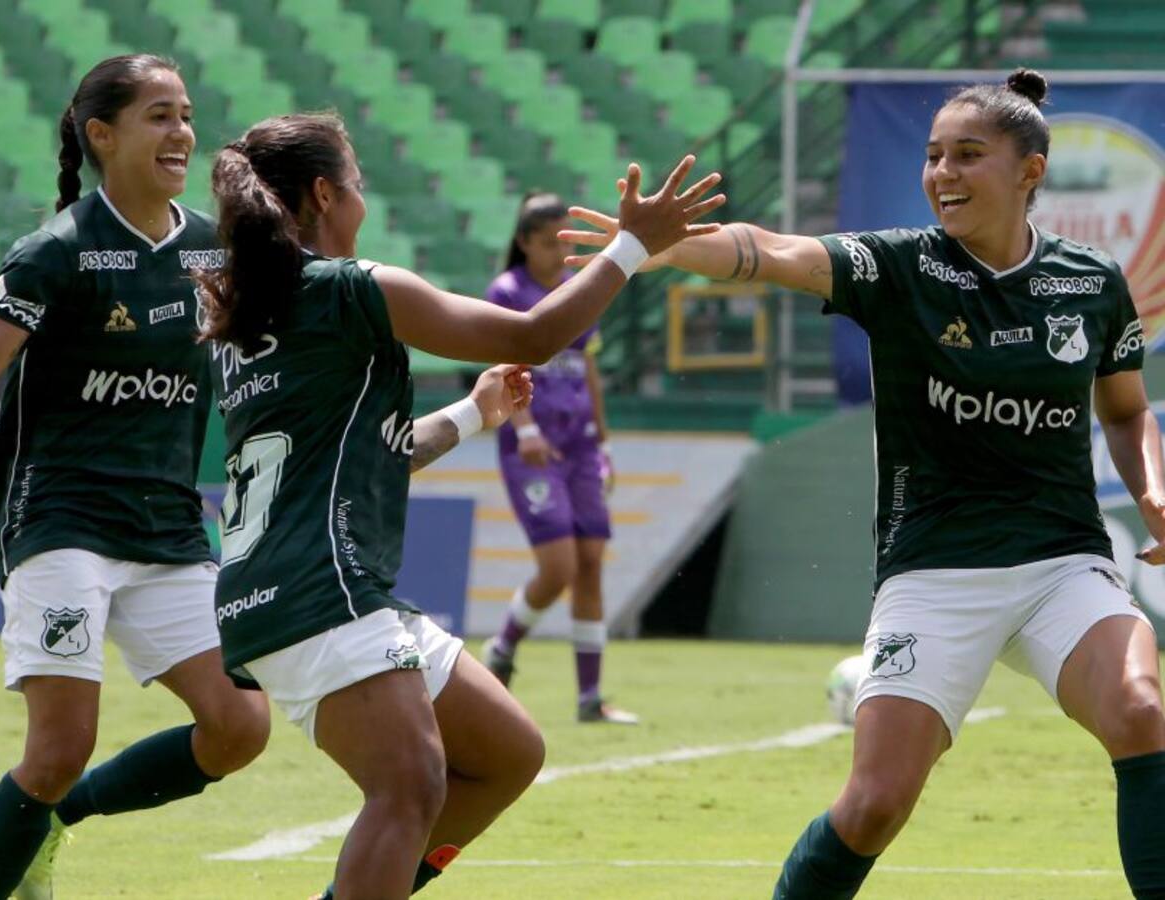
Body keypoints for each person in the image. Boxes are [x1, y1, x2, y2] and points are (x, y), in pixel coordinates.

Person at [563, 68, 1165, 899]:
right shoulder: (899, 266)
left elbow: (1128, 413)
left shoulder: (1092, 283)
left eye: (967, 155)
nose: (943, 173)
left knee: (1140, 713)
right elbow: (771, 251)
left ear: (1030, 171)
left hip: (1063, 563)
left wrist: (1151, 492)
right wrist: (654, 247)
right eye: (932, 156)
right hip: (935, 570)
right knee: (875, 805)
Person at [195, 111, 722, 899]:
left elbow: (380, 452)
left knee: (508, 753)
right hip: (322, 590)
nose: (363, 202)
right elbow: (537, 333)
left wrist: (475, 415)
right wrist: (634, 244)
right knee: (410, 788)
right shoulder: (350, 288)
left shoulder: (246, 314)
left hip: (296, 588)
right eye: (360, 185)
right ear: (323, 193)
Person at [0, 55, 271, 900]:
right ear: (103, 135)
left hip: (169, 524)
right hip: (61, 519)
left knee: (240, 726)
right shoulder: (56, 252)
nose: (181, 133)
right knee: (59, 750)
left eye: (185, 114)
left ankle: (53, 823)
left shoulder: (215, 247)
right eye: (159, 116)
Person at [479, 192, 636, 724]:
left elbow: (587, 370)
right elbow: (499, 366)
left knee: (590, 563)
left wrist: (605, 442)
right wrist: (523, 428)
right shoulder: (507, 292)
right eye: (547, 243)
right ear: (523, 243)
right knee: (560, 566)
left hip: (580, 445)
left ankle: (590, 698)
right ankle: (502, 647)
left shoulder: (574, 292)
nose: (555, 253)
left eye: (562, 243)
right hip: (533, 448)